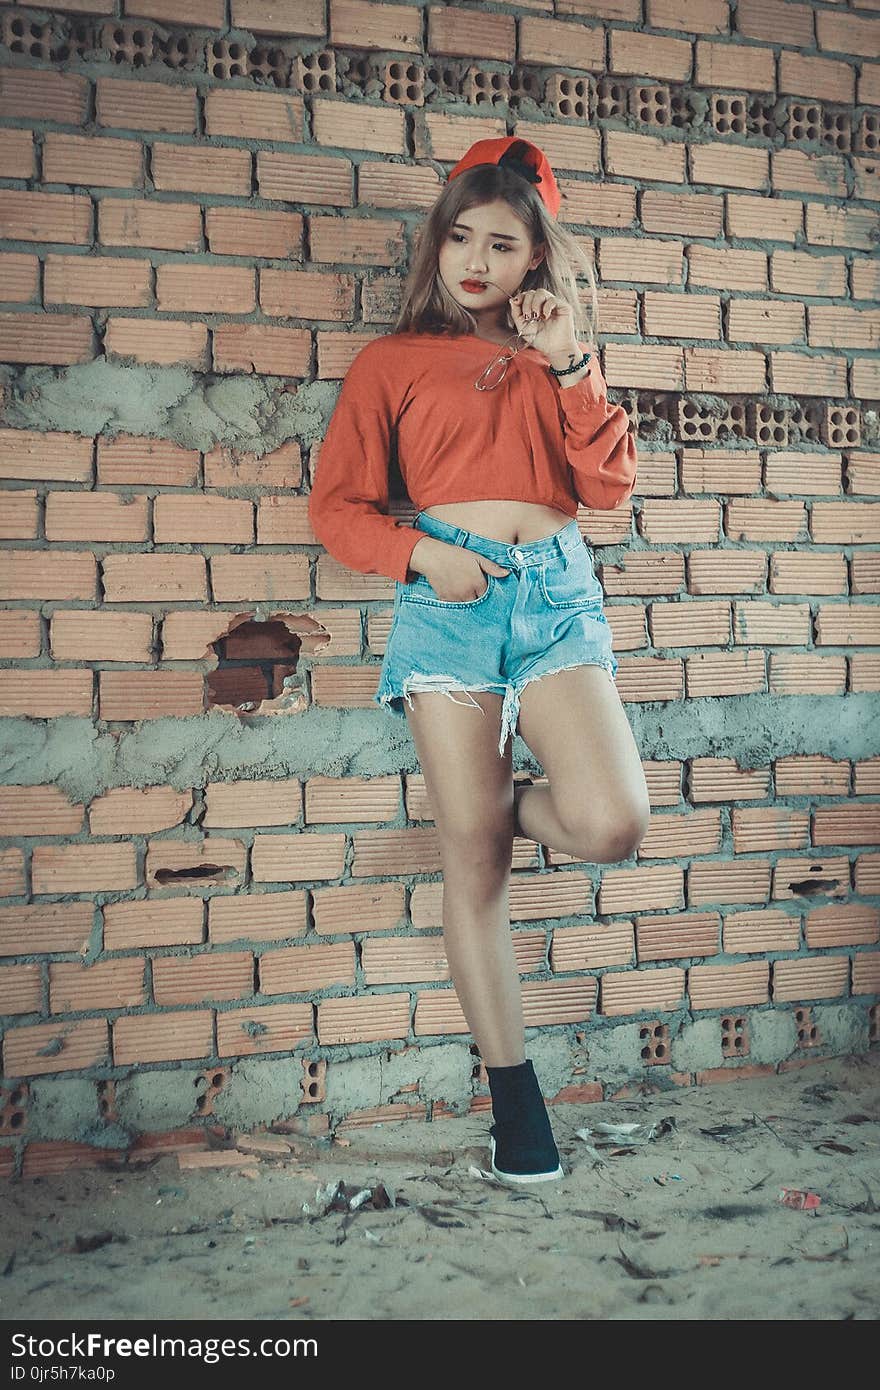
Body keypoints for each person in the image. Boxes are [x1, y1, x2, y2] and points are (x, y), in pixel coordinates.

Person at [308, 136, 652, 1186]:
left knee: (610, 820)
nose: (474, 261)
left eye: (501, 244)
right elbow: (337, 508)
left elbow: (608, 488)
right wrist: (420, 554)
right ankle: (515, 1102)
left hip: (553, 598)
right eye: (459, 237)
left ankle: (482, 805)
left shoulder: (560, 358)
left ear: (535, 257)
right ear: (437, 243)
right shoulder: (391, 364)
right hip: (448, 608)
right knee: (479, 870)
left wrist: (573, 361)